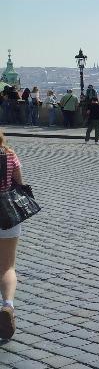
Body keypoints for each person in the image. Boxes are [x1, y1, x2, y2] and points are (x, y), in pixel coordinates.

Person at [0, 129, 24, 339]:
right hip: (7, 213)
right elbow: (20, 184)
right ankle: (7, 305)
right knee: (7, 266)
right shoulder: (9, 154)